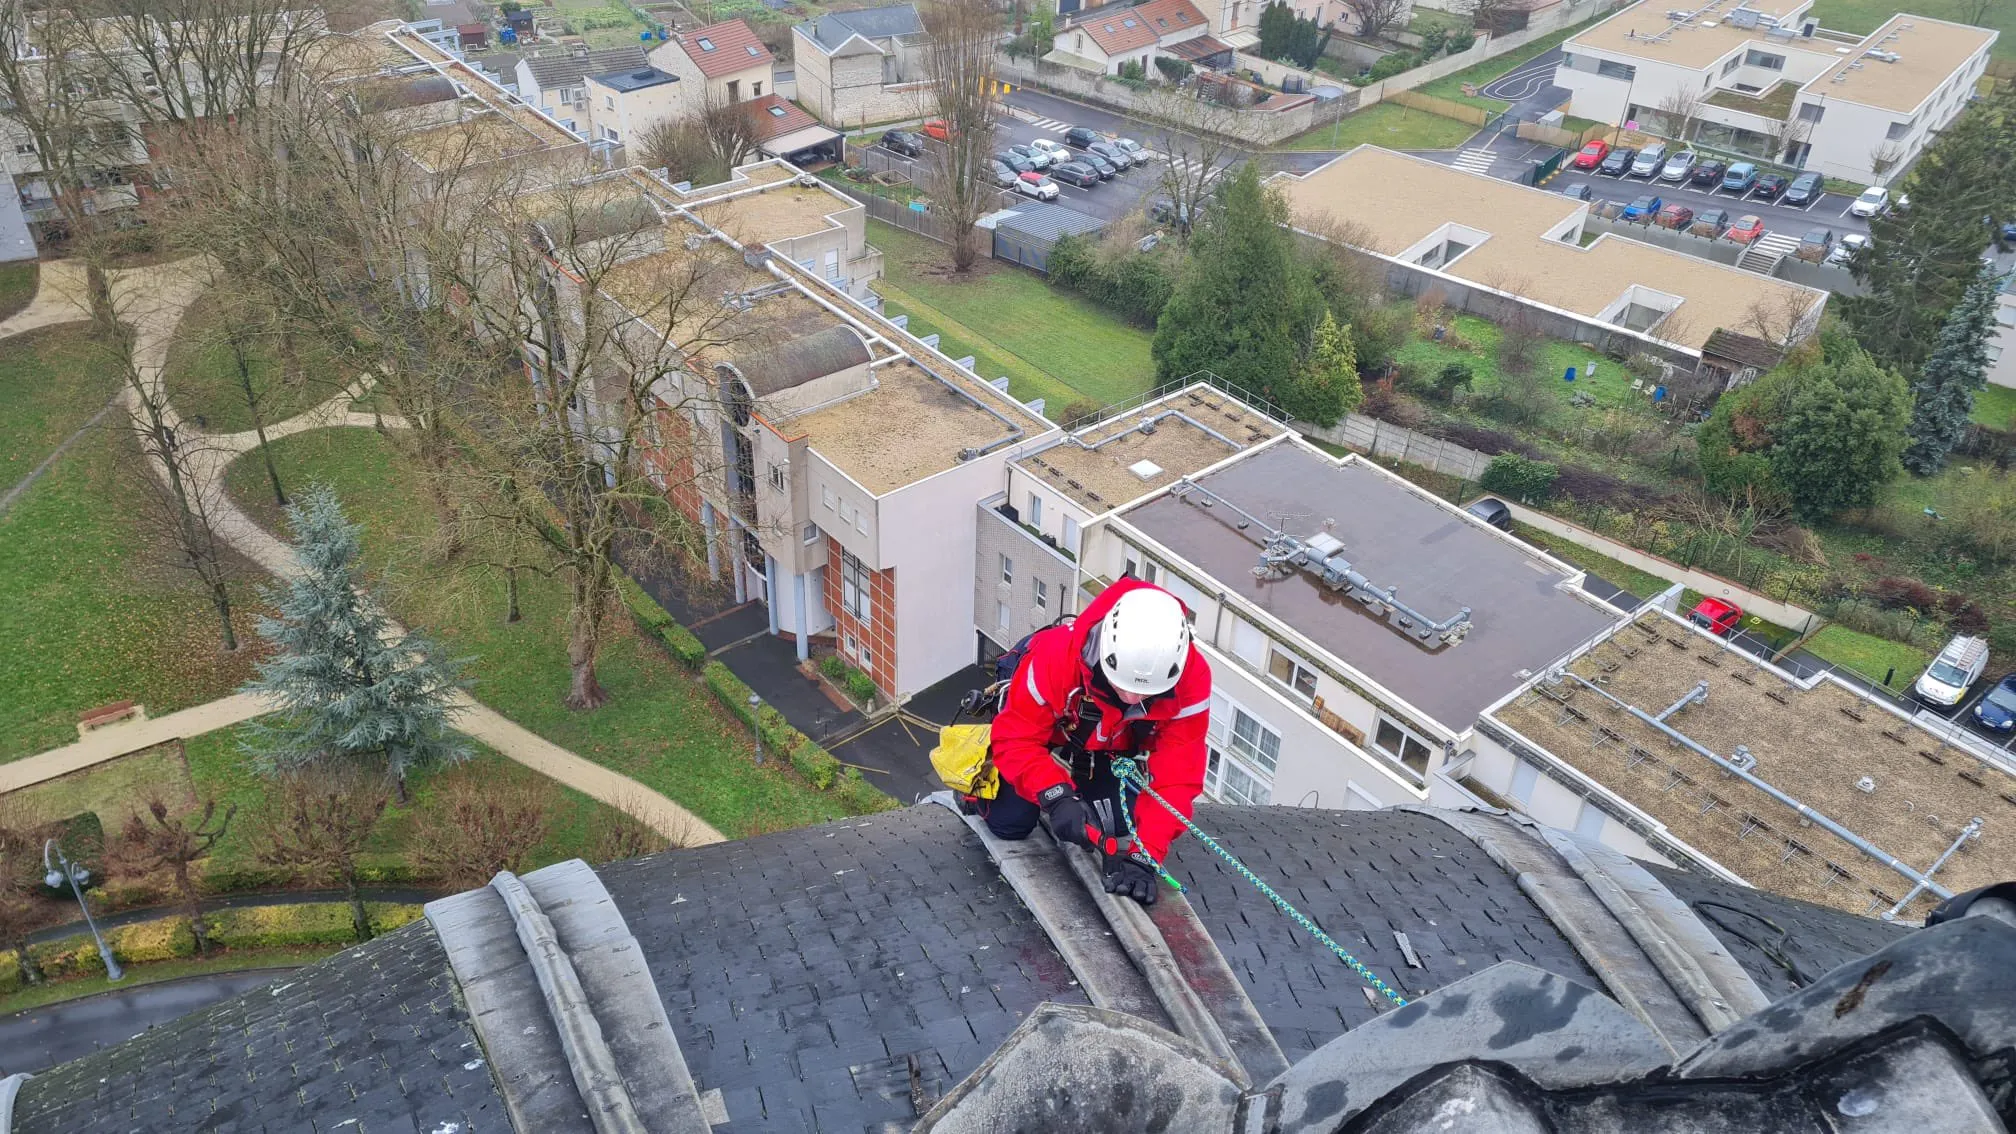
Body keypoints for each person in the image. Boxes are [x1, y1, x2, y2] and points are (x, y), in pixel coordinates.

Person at [982, 577, 1211, 905]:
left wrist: (1144, 856)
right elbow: (1016, 740)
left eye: (1145, 693)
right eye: (1122, 687)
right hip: (1043, 736)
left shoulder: (1191, 681)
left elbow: (1178, 778)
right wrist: (1056, 796)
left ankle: (1082, 793)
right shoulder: (1056, 656)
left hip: (1107, 749)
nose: (1132, 697)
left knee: (1116, 824)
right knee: (1011, 822)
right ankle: (976, 797)